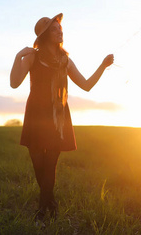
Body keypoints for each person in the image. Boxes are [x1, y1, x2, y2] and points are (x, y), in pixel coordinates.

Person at [10, 13, 114, 221]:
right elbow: (14, 83)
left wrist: (103, 66)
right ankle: (50, 201)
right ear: (44, 35)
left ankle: (43, 211)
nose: (60, 31)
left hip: (58, 119)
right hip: (36, 116)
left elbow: (86, 85)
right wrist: (17, 57)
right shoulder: (33, 57)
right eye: (55, 29)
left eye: (60, 28)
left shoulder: (65, 60)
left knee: (50, 164)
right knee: (39, 164)